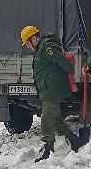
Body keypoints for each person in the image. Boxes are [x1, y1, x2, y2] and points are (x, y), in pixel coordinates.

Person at [20, 25, 85, 161]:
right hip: (48, 89)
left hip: (52, 90)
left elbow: (64, 63)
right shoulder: (41, 49)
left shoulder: (46, 47)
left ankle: (48, 150)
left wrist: (66, 71)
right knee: (54, 119)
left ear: (33, 38)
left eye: (27, 43)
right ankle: (74, 140)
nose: (27, 46)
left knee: (46, 119)